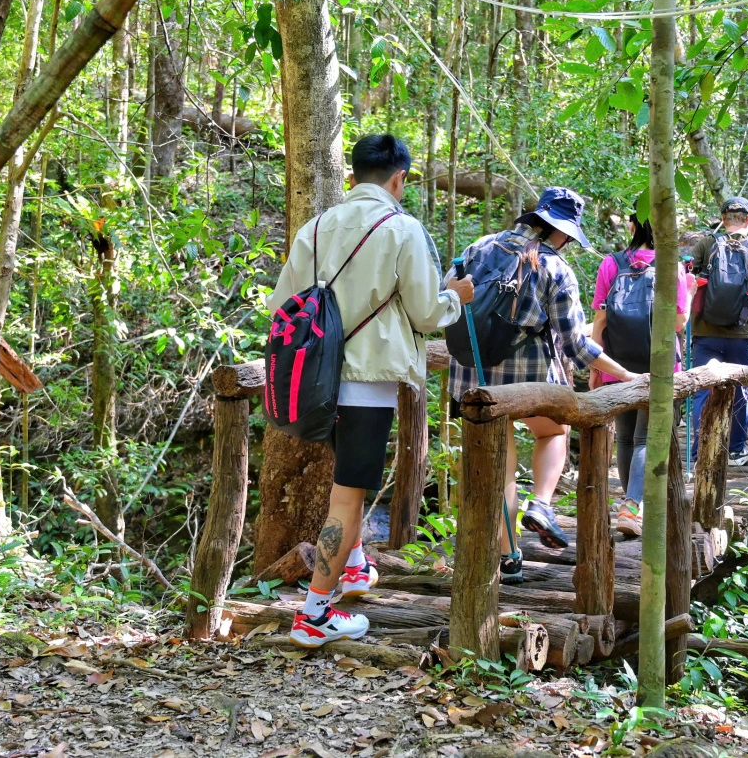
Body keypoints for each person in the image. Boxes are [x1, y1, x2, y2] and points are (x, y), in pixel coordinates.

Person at [268, 134, 475, 647]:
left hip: (312, 382)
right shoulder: (401, 228)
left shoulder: (314, 228)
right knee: (348, 496)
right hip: (366, 383)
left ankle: (356, 567)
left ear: (353, 175)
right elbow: (427, 312)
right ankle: (314, 617)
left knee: (347, 482)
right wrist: (457, 297)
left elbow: (283, 304)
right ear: (399, 178)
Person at [448, 187, 638, 583]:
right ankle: (542, 504)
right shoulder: (555, 268)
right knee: (555, 432)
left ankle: (510, 557)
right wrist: (627, 376)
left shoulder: (477, 248)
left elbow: (443, 300)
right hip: (529, 384)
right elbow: (575, 346)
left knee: (502, 469)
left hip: (472, 380)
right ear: (563, 233)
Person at [589, 212, 691, 537]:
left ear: (632, 226)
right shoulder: (669, 265)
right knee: (646, 438)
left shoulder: (611, 263)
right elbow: (679, 323)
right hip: (659, 366)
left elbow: (600, 321)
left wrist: (596, 366)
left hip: (618, 365)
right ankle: (633, 505)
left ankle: (630, 504)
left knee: (626, 437)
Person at [689, 196, 748, 467]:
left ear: (723, 219)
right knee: (740, 389)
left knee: (703, 389)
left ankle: (697, 452)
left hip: (704, 331)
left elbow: (688, 281)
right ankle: (736, 450)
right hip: (742, 333)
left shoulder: (706, 245)